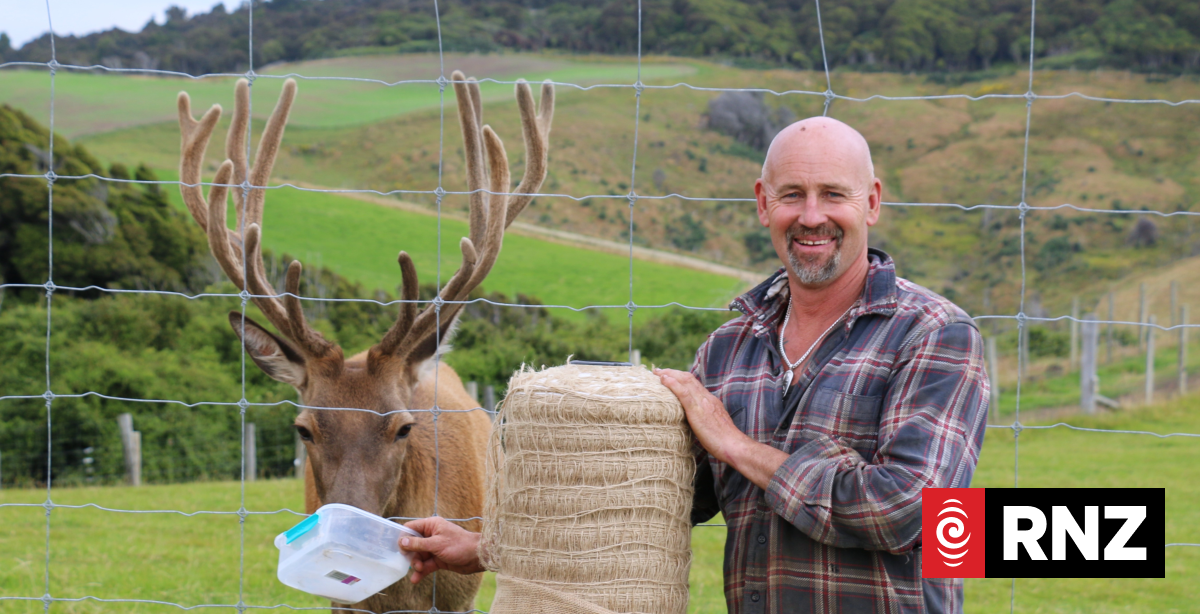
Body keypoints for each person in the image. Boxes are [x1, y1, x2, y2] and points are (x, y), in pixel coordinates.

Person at [400, 116, 990, 614]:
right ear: (764, 204)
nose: (812, 216)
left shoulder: (934, 334)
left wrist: (735, 445)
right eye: (792, 195)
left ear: (873, 202)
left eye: (833, 194)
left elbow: (906, 510)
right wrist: (485, 546)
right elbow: (657, 500)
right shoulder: (729, 348)